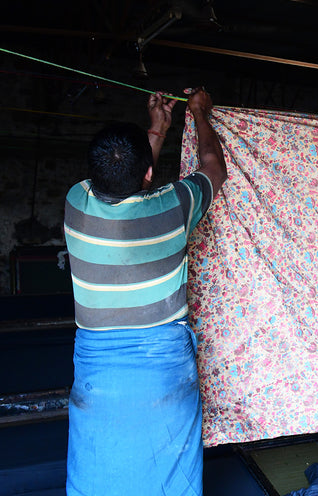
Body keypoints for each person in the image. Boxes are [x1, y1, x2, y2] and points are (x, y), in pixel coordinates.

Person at [63, 87, 227, 496]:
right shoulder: (174, 207)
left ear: (92, 174)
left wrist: (157, 129)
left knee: (99, 465)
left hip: (98, 374)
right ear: (149, 174)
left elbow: (129, 180)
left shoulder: (76, 202)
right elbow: (214, 167)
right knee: (171, 471)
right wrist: (200, 114)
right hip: (164, 367)